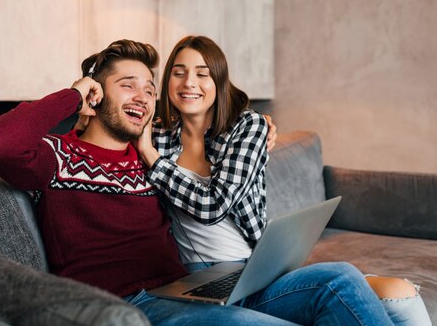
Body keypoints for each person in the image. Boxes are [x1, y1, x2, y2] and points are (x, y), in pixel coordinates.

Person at [0, 39, 396, 326]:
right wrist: (71, 96)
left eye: (148, 88)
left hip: (193, 289)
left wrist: (260, 126)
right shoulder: (58, 156)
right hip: (135, 303)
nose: (143, 96)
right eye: (127, 86)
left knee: (338, 278)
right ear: (96, 95)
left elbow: (205, 140)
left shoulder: (149, 153)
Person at [133, 35, 431, 326]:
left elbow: (214, 206)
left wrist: (153, 160)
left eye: (202, 74)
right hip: (195, 278)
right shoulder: (154, 135)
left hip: (252, 269)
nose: (189, 84)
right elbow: (101, 124)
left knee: (341, 276)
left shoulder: (247, 127)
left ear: (219, 82)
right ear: (166, 82)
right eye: (178, 73)